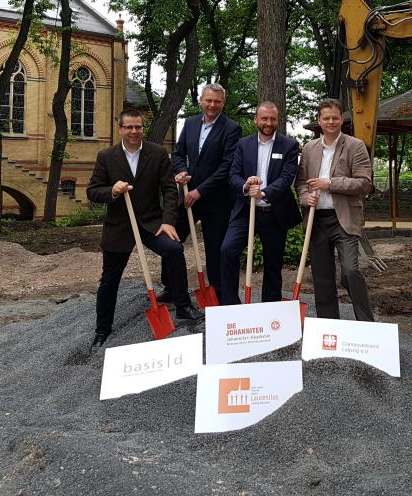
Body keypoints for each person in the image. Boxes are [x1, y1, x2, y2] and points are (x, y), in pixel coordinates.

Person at [85, 108, 203, 353]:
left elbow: (169, 190)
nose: (134, 131)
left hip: (151, 223)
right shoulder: (106, 156)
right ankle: (102, 329)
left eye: (138, 127)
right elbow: (93, 191)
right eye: (129, 127)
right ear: (120, 129)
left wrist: (168, 221)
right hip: (119, 226)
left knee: (173, 249)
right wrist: (112, 192)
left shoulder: (157, 153)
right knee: (109, 280)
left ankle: (183, 305)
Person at [296, 98, 375, 321]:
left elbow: (364, 183)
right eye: (326, 118)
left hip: (345, 218)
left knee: (350, 270)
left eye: (335, 117)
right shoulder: (309, 149)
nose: (331, 121)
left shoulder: (355, 146)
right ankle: (328, 325)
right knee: (322, 277)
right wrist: (305, 198)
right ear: (319, 121)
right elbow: (301, 181)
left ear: (342, 119)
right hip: (316, 219)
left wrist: (329, 183)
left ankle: (366, 323)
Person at [219, 101, 302, 305]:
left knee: (273, 263)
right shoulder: (243, 144)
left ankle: (270, 307)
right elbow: (233, 174)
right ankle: (230, 305)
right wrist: (247, 186)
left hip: (274, 212)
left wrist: (264, 192)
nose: (268, 122)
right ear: (256, 119)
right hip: (246, 211)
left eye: (273, 118)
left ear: (278, 120)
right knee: (227, 250)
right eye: (264, 118)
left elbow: (286, 178)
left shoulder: (289, 146)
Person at [168, 83, 241, 302]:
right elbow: (178, 154)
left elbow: (227, 166)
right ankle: (171, 289)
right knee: (171, 242)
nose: (212, 105)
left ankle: (218, 295)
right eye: (208, 100)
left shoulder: (231, 128)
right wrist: (181, 172)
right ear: (201, 100)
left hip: (215, 201)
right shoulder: (190, 124)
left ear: (223, 103)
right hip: (187, 196)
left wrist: (200, 191)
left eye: (217, 101)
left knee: (214, 249)